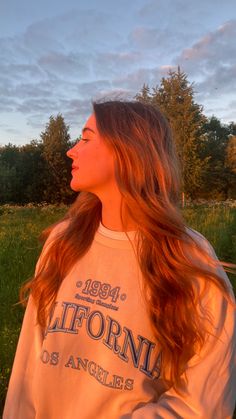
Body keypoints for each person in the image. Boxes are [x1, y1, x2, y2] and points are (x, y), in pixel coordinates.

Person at [3, 100, 236, 419]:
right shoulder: (63, 240)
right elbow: (29, 365)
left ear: (129, 151)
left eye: (85, 138)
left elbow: (204, 404)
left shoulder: (189, 259)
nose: (71, 151)